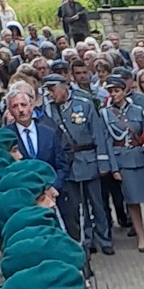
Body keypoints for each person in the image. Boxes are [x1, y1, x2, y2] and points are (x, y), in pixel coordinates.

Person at [54, 69, 115, 253]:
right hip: (69, 164)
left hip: (89, 160)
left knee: (97, 203)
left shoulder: (84, 103)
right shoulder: (50, 108)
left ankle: (105, 239)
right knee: (78, 206)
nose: (50, 94)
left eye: (52, 89)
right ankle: (87, 240)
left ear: (63, 88)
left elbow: (98, 133)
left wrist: (103, 162)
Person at [102, 74, 144, 251]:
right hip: (123, 160)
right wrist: (114, 168)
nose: (114, 94)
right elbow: (108, 143)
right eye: (111, 91)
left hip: (140, 158)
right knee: (132, 201)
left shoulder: (138, 111)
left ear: (124, 91)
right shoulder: (106, 114)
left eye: (117, 90)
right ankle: (140, 237)